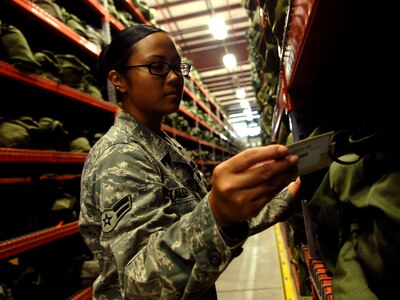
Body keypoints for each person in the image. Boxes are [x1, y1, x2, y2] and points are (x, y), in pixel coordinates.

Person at [78, 23, 300, 299]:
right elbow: (140, 284)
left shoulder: (165, 145)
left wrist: (286, 195)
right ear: (118, 80)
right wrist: (217, 213)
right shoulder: (121, 155)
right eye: (157, 67)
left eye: (177, 67)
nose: (174, 78)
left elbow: (201, 221)